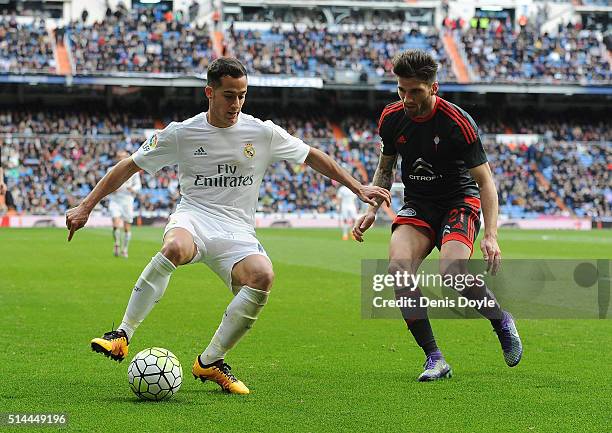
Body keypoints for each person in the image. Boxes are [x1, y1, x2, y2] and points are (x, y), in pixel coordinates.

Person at [65, 57, 391, 395]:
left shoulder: (261, 131)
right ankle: (122, 334)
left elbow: (312, 155)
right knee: (174, 247)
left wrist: (358, 186)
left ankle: (210, 362)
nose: (235, 103)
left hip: (237, 230)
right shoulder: (182, 133)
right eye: (228, 95)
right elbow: (128, 166)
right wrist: (87, 205)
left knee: (263, 275)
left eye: (242, 95)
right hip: (194, 216)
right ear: (210, 92)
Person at [353, 49, 522, 381]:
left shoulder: (457, 122)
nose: (407, 98)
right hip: (419, 204)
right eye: (402, 90)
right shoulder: (391, 117)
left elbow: (486, 181)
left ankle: (501, 320)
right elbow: (385, 170)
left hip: (459, 202)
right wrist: (371, 208)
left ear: (433, 88)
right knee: (398, 271)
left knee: (452, 273)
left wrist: (491, 235)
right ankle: (435, 359)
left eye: (415, 91)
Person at [107, 150, 142, 258]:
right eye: (119, 156)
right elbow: (106, 183)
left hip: (127, 200)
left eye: (123, 156)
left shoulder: (134, 171)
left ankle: (125, 249)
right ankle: (117, 244)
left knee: (127, 227)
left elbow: (138, 186)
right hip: (115, 200)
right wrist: (111, 189)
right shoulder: (111, 169)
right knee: (115, 224)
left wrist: (133, 189)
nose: (120, 158)